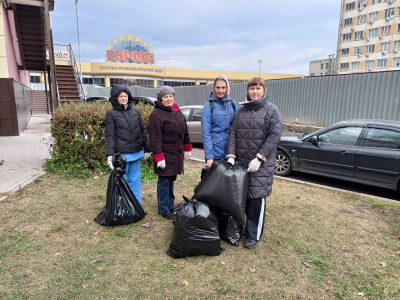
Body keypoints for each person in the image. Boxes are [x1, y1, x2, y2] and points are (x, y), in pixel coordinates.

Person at [226, 77, 283, 249]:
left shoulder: (272, 110)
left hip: (261, 165)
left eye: (258, 88)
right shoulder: (241, 111)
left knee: (256, 200)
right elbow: (233, 134)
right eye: (252, 88)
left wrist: (260, 158)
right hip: (242, 163)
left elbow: (274, 136)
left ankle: (253, 235)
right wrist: (231, 154)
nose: (255, 91)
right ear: (248, 90)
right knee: (240, 198)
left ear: (264, 90)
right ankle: (237, 229)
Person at [148, 86, 192, 219]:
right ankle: (163, 208)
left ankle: (171, 204)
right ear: (160, 99)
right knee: (163, 181)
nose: (169, 99)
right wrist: (159, 157)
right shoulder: (156, 115)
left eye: (170, 96)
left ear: (174, 97)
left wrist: (187, 147)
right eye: (165, 97)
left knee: (171, 179)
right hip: (165, 153)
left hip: (176, 153)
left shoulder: (177, 112)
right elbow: (155, 138)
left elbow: (185, 131)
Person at [105, 85, 152, 203]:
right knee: (120, 181)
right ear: (115, 98)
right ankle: (121, 205)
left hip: (136, 152)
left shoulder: (135, 111)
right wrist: (110, 154)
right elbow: (110, 136)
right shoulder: (111, 114)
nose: (123, 98)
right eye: (120, 96)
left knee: (135, 181)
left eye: (125, 96)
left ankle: (136, 205)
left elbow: (142, 131)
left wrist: (148, 148)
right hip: (121, 155)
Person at [201, 74, 238, 169]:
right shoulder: (208, 107)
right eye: (218, 87)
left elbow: (237, 129)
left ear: (227, 88)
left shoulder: (233, 104)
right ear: (214, 88)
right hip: (215, 154)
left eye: (223, 87)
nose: (220, 91)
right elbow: (206, 133)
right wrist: (209, 156)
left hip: (230, 154)